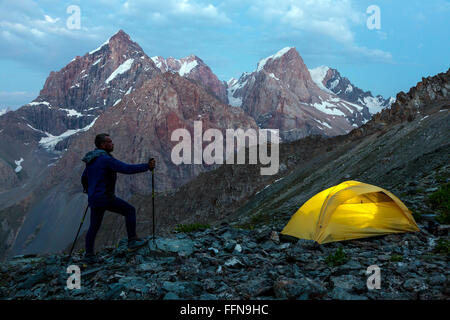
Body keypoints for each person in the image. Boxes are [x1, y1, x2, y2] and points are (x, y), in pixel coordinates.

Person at [81, 133, 156, 264]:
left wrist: (90, 191)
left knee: (94, 227)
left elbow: (84, 178)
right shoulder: (105, 159)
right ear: (102, 145)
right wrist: (147, 167)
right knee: (129, 211)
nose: (112, 144)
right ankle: (132, 241)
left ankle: (89, 255)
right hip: (105, 197)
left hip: (94, 199)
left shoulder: (91, 160)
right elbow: (125, 169)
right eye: (109, 142)